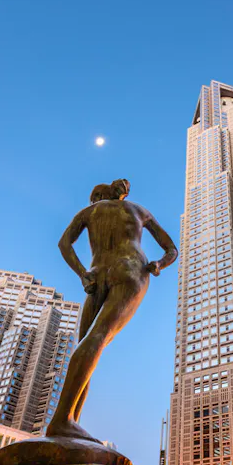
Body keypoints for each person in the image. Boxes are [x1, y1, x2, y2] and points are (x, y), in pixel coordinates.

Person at [47, 179, 177, 441]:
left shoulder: (89, 212)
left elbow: (64, 244)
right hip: (129, 270)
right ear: (123, 194)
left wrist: (83, 274)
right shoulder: (138, 210)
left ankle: (70, 421)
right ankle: (63, 420)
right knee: (96, 341)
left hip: (96, 274)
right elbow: (171, 248)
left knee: (88, 343)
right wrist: (159, 264)